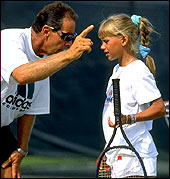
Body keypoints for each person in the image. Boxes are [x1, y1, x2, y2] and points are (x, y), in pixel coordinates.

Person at [1, 1, 94, 178]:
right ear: (46, 31)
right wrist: (68, 56)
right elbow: (20, 75)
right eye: (66, 37)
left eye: (72, 38)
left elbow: (29, 109)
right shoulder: (8, 40)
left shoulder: (44, 61)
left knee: (10, 172)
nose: (69, 43)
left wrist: (21, 148)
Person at [97, 14, 166, 177]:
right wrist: (106, 151)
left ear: (123, 39)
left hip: (137, 160)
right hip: (119, 161)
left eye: (106, 41)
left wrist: (130, 118)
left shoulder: (138, 71)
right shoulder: (116, 71)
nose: (102, 46)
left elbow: (159, 108)